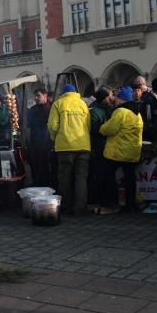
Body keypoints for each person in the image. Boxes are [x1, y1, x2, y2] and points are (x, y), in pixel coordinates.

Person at [47, 84, 91, 216]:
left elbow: (52, 125)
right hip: (83, 145)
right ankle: (80, 208)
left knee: (65, 178)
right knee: (81, 178)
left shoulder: (58, 103)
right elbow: (88, 125)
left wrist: (54, 138)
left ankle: (66, 206)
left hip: (65, 146)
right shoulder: (83, 104)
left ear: (63, 93)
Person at [99, 86, 143, 213]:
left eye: (117, 98)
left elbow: (109, 129)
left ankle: (113, 201)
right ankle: (130, 204)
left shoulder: (121, 112)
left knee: (108, 175)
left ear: (121, 100)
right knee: (130, 178)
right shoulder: (137, 113)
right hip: (132, 151)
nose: (114, 100)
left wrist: (102, 127)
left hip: (118, 151)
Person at [89, 85, 115, 207]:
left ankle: (111, 198)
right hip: (99, 146)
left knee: (110, 174)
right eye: (109, 94)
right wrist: (104, 125)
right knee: (100, 173)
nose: (112, 96)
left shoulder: (111, 109)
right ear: (104, 98)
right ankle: (102, 198)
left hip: (111, 145)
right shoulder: (94, 111)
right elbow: (93, 128)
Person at [27, 87, 52, 187]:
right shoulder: (33, 109)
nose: (37, 98)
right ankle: (37, 183)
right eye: (36, 96)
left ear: (45, 96)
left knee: (47, 164)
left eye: (39, 96)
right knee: (36, 164)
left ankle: (48, 183)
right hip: (36, 141)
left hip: (49, 140)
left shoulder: (51, 108)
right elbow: (29, 123)